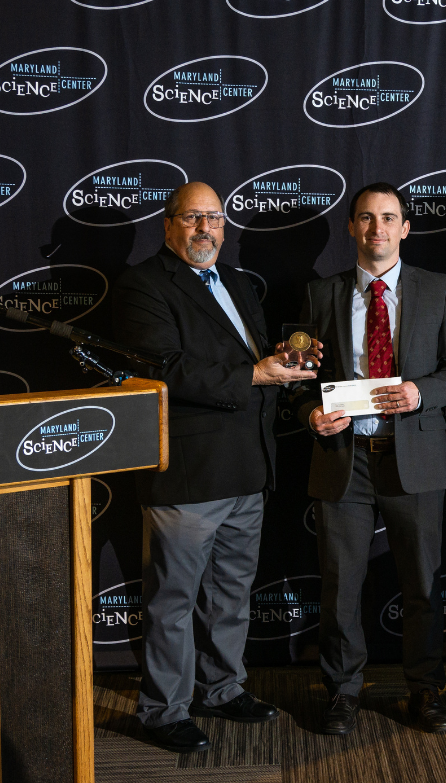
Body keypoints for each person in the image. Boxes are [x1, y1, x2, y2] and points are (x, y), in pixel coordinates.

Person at [112, 182, 319, 753]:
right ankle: (163, 710)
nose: (207, 229)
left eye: (216, 219)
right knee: (173, 601)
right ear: (168, 224)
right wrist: (259, 375)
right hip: (187, 473)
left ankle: (222, 688)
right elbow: (165, 369)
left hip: (248, 467)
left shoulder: (233, 283)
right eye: (194, 218)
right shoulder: (144, 285)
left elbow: (255, 359)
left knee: (231, 592)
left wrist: (285, 366)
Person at [294, 182, 446, 735]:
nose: (377, 229)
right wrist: (309, 415)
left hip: (413, 457)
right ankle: (343, 692)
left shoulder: (437, 289)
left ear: (405, 229)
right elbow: (299, 381)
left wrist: (421, 392)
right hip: (343, 458)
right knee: (340, 584)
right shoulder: (320, 295)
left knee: (422, 584)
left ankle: (425, 692)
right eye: (366, 219)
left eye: (388, 218)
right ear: (351, 227)